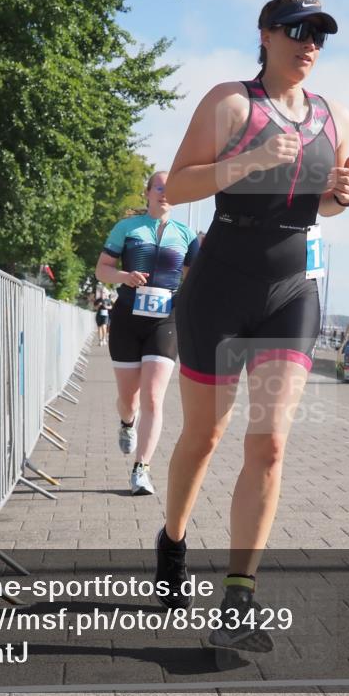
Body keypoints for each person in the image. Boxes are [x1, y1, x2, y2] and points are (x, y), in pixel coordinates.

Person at [153, 0, 349, 650]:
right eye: (297, 31)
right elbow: (175, 188)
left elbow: (323, 206)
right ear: (265, 34)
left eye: (319, 35)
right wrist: (247, 162)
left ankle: (238, 597)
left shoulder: (335, 116)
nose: (309, 44)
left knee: (268, 442)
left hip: (291, 290)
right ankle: (174, 540)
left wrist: (340, 199)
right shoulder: (231, 103)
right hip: (218, 287)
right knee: (204, 439)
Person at [95, 171, 200, 495]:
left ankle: (142, 469)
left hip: (164, 322)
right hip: (126, 318)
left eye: (171, 189)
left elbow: (194, 278)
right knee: (130, 400)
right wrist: (124, 276)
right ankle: (127, 423)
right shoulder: (127, 229)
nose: (165, 192)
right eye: (159, 187)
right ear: (147, 193)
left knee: (154, 396)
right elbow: (102, 269)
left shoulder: (186, 235)